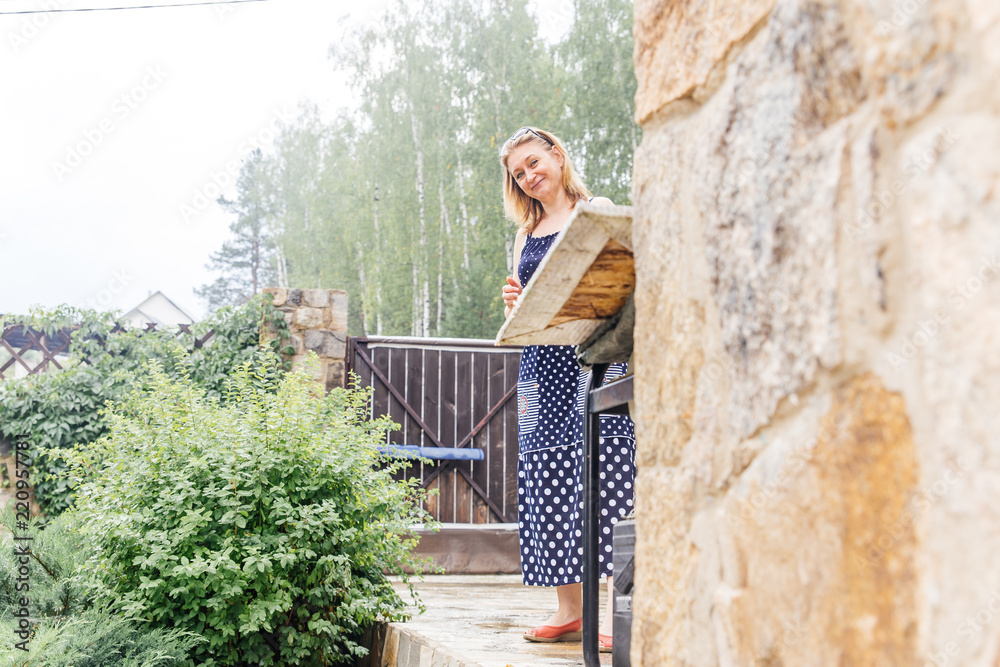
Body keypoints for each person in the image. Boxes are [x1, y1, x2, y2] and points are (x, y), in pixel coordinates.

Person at [498, 126, 635, 653]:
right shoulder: (525, 234)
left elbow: (619, 280)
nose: (529, 177)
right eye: (519, 174)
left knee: (604, 471)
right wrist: (515, 303)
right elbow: (527, 304)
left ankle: (613, 610)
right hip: (541, 366)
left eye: (534, 163)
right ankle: (570, 610)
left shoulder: (596, 210)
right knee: (547, 473)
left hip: (591, 357)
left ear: (556, 155)